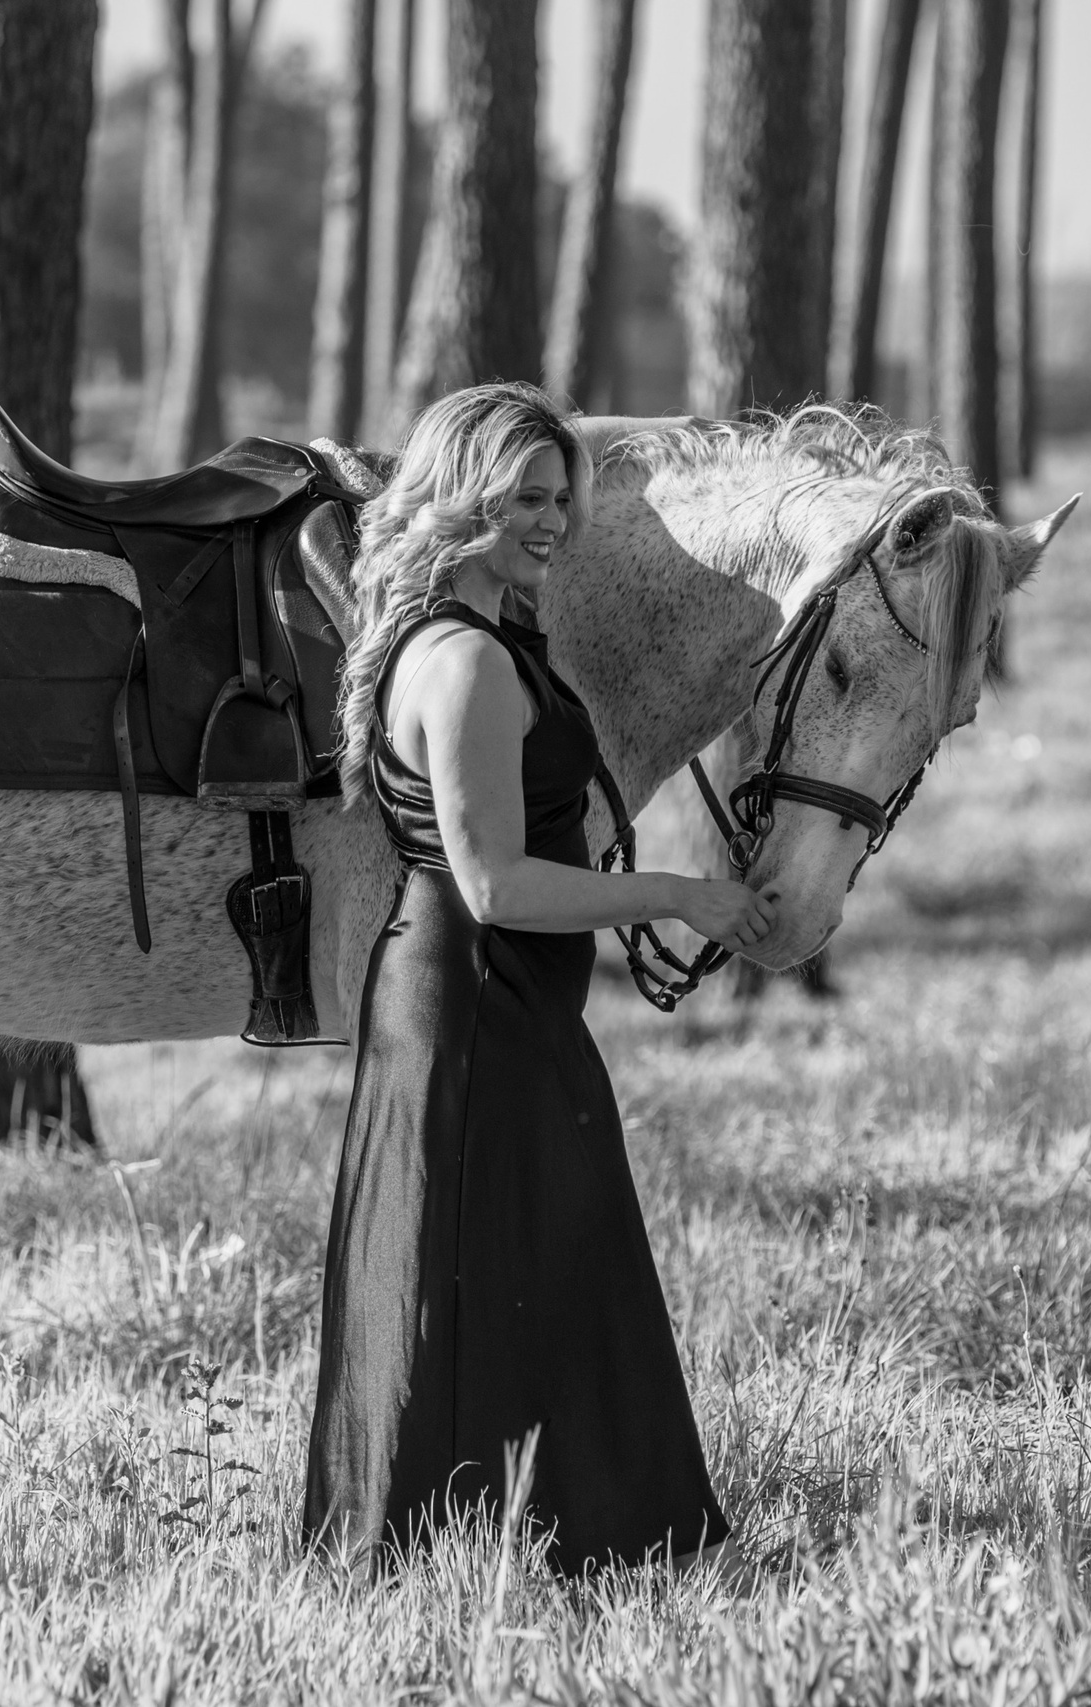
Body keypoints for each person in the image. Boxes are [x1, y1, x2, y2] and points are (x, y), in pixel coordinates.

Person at [303, 382, 771, 1576]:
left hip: (506, 1006)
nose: (555, 520)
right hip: (468, 1003)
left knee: (531, 1269)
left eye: (561, 496)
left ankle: (562, 1536)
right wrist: (677, 892)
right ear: (461, 501)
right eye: (526, 497)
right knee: (477, 1279)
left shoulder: (492, 638)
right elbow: (496, 884)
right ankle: (460, 1549)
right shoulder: (462, 663)